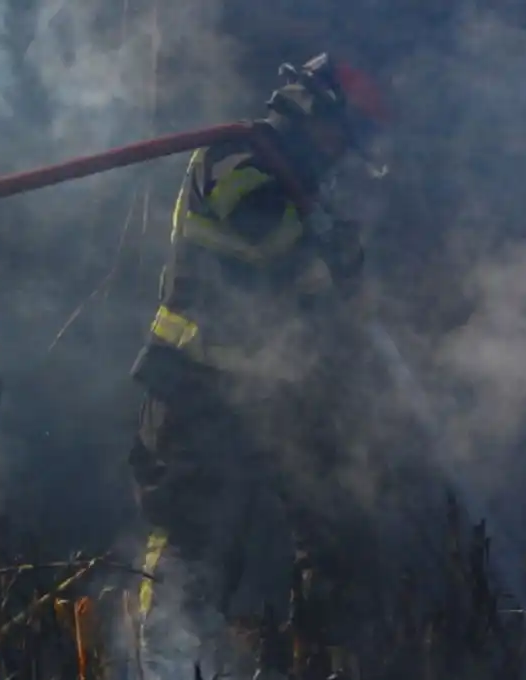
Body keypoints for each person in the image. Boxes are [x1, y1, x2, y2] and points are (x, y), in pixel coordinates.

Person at [128, 53, 391, 679]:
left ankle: (317, 661)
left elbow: (312, 299)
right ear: (309, 111)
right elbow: (276, 257)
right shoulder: (231, 158)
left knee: (331, 529)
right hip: (194, 392)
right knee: (192, 549)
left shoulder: (300, 181)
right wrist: (334, 254)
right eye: (337, 136)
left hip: (266, 396)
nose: (337, 153)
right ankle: (164, 667)